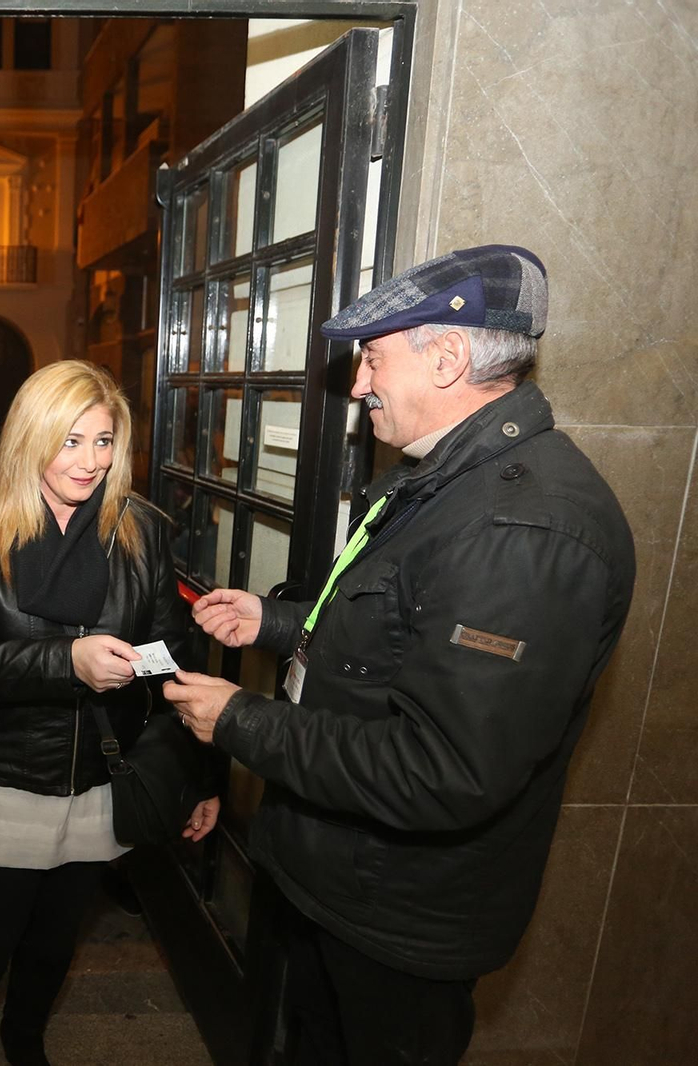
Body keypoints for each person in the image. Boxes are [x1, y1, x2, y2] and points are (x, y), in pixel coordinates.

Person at [166, 245, 635, 1066]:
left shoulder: (524, 531)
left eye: (371, 359)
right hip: (344, 884)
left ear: (449, 357)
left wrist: (240, 720)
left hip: (399, 919)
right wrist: (277, 624)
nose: (357, 386)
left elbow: (440, 767)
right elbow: (391, 632)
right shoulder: (446, 481)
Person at [0, 360, 218, 1066]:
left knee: (56, 941)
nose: (90, 461)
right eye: (71, 441)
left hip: (100, 774)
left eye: (103, 441)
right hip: (4, 770)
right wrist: (69, 661)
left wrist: (200, 772)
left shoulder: (141, 529)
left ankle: (24, 1039)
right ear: (33, 437)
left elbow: (170, 661)